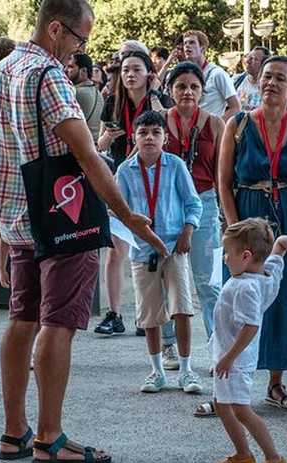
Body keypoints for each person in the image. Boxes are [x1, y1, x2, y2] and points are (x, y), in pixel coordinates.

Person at [0, 0, 165, 463]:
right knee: (58, 323)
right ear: (56, 28)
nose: (81, 49)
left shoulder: (2, 70)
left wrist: (5, 229)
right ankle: (50, 437)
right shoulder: (49, 76)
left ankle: (13, 433)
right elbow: (86, 154)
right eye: (80, 39)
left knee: (21, 319)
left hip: (19, 217)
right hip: (63, 218)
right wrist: (126, 213)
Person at [217, 56, 287, 412]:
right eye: (266, 77)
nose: (271, 83)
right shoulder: (237, 124)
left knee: (283, 297)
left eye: (281, 78)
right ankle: (229, 379)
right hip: (248, 214)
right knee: (241, 298)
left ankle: (275, 383)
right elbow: (223, 180)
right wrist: (235, 228)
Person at [210, 218, 287, 463]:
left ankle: (274, 458)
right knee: (221, 403)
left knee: (240, 409)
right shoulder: (266, 273)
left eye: (228, 252)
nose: (224, 258)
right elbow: (281, 244)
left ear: (246, 255)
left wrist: (228, 357)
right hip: (227, 354)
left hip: (234, 358)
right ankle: (243, 453)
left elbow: (251, 326)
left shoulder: (247, 287)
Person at [116, 110, 203, 394]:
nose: (149, 138)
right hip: (143, 252)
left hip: (175, 248)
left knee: (182, 309)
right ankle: (156, 371)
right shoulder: (125, 171)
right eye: (143, 133)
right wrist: (131, 231)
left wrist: (188, 230)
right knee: (150, 315)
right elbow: (120, 211)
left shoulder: (175, 165)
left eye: (156, 132)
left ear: (165, 138)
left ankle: (188, 371)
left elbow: (193, 203)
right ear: (134, 138)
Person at [95, 49, 170, 336]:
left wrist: (154, 93)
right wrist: (107, 138)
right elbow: (100, 145)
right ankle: (114, 314)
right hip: (119, 180)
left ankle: (149, 315)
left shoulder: (158, 100)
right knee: (115, 251)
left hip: (152, 181)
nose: (130, 75)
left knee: (155, 248)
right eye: (126, 70)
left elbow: (167, 131)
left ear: (148, 73)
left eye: (137, 69)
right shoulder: (113, 101)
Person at [158, 61, 225, 371]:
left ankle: (217, 346)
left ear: (202, 92)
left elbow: (224, 174)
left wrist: (229, 216)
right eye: (181, 86)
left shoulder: (215, 124)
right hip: (163, 206)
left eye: (194, 87)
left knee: (208, 281)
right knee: (164, 278)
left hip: (205, 202)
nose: (187, 92)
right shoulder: (158, 121)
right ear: (171, 90)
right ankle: (168, 345)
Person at [180, 30, 240, 121]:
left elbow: (235, 108)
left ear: (202, 48)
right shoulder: (187, 75)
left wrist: (215, 127)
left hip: (211, 131)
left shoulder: (217, 74)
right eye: (185, 43)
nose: (187, 46)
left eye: (192, 42)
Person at [64, 53, 104, 142]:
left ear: (83, 71)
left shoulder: (76, 93)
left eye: (70, 67)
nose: (65, 70)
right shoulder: (96, 92)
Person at [232, 46, 270, 112]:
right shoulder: (237, 80)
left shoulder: (269, 86)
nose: (248, 61)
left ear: (264, 64)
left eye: (253, 59)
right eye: (248, 57)